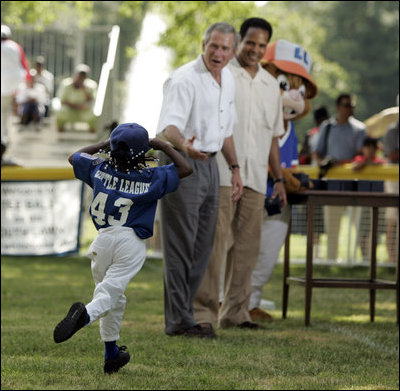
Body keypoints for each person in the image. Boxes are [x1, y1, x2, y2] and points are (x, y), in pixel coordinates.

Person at [53, 122, 193, 374]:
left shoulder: (98, 168)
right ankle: (84, 315)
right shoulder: (150, 176)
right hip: (130, 241)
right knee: (108, 295)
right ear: (143, 152)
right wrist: (162, 145)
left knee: (111, 296)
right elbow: (186, 168)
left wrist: (105, 144)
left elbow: (74, 157)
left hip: (102, 241)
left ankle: (112, 355)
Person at [193, 18, 286, 333]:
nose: (255, 50)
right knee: (214, 245)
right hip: (221, 173)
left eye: (262, 45)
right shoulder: (220, 75)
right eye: (251, 43)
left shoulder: (272, 85)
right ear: (239, 42)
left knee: (247, 249)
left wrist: (280, 179)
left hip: (258, 178)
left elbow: (274, 136)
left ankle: (236, 312)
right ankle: (203, 315)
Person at [156, 22, 242, 338]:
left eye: (225, 48)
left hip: (211, 162)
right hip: (181, 159)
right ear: (203, 44)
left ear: (234, 51)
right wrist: (185, 146)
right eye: (213, 46)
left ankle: (184, 315)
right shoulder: (183, 79)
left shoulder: (228, 79)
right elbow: (168, 128)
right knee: (181, 243)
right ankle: (179, 322)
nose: (218, 53)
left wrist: (235, 168)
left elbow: (227, 129)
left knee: (203, 244)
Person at [315, 93, 366, 261]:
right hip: (332, 184)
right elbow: (317, 152)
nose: (349, 109)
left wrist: (349, 164)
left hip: (355, 184)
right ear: (338, 106)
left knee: (360, 226)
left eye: (352, 106)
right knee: (332, 226)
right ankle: (331, 261)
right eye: (346, 105)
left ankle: (361, 261)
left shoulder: (360, 128)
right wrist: (324, 164)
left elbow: (361, 154)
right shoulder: (327, 127)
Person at [352, 136, 386, 260]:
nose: (371, 150)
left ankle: (372, 257)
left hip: (378, 201)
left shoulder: (381, 162)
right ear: (363, 148)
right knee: (362, 231)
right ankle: (364, 257)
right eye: (368, 147)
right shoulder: (359, 159)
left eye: (373, 148)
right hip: (363, 201)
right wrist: (366, 163)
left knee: (376, 231)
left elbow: (384, 162)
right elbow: (355, 167)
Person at [1, 24, 31, 141]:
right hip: (12, 88)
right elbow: (25, 66)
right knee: (7, 115)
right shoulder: (15, 46)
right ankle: (5, 139)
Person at [56, 63, 97, 133]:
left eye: (83, 76)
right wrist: (76, 106)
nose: (81, 78)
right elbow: (62, 100)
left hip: (84, 110)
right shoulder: (66, 84)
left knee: (93, 116)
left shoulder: (91, 85)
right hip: (68, 110)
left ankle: (93, 137)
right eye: (79, 75)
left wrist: (84, 90)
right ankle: (60, 135)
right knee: (60, 115)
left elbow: (92, 100)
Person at [382, 119, 399, 263]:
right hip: (394, 180)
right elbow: (392, 155)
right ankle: (391, 257)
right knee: (392, 220)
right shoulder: (392, 130)